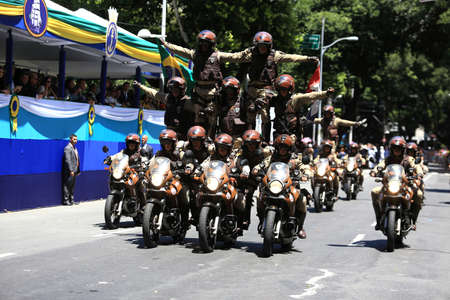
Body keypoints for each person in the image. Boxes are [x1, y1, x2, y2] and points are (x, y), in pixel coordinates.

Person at [160, 30, 251, 138]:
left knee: (212, 117)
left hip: (212, 91)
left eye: (206, 43)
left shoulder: (217, 55)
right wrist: (167, 45)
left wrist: (247, 52)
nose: (204, 45)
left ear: (211, 44)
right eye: (202, 43)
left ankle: (210, 139)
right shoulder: (194, 54)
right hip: (198, 91)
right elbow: (181, 51)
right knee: (198, 117)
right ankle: (197, 138)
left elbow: (235, 57)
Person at [236, 32, 319, 141]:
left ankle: (265, 140)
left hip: (266, 89)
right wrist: (216, 55)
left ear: (269, 46)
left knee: (265, 114)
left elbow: (291, 57)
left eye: (264, 46)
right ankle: (247, 137)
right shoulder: (250, 54)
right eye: (259, 46)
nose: (262, 48)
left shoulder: (275, 55)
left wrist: (307, 58)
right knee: (249, 112)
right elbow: (235, 57)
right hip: (252, 88)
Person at [252, 134, 308, 239]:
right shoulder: (271, 157)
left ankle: (300, 227)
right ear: (277, 147)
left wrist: (306, 174)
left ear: (289, 148)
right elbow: (261, 164)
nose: (282, 149)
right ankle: (261, 220)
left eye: (285, 147)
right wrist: (256, 169)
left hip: (289, 186)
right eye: (280, 147)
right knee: (260, 198)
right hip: (273, 185)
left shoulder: (294, 159)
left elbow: (304, 167)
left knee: (302, 200)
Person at [370, 136, 423, 230]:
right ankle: (378, 219)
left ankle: (413, 221)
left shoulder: (409, 159)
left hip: (405, 185)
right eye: (395, 148)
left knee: (418, 194)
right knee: (374, 191)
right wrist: (374, 171)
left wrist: (419, 173)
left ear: (403, 149)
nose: (397, 150)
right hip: (390, 185)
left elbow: (416, 166)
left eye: (399, 148)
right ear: (391, 149)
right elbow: (380, 165)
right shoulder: (387, 159)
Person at [272, 74, 334, 139]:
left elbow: (310, 95)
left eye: (285, 89)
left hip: (293, 134)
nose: (283, 92)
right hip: (279, 133)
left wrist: (326, 93)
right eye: (281, 89)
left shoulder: (295, 99)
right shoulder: (274, 99)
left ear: (290, 89)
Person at [234, 130, 265, 229]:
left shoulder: (263, 153)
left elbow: (267, 164)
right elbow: (234, 161)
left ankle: (256, 221)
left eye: (253, 144)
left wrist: (261, 172)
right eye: (249, 144)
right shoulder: (240, 152)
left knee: (259, 197)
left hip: (257, 180)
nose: (251, 146)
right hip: (242, 178)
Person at [62, 134, 80, 205]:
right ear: (70, 139)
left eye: (76, 139)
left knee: (72, 186)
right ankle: (66, 200)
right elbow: (67, 160)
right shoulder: (67, 148)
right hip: (70, 171)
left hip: (75, 170)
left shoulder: (74, 148)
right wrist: (71, 170)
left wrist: (77, 170)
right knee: (67, 185)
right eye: (74, 139)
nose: (76, 141)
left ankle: (71, 200)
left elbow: (77, 159)